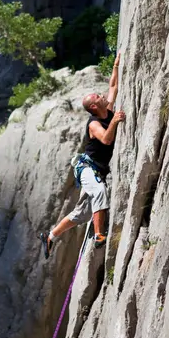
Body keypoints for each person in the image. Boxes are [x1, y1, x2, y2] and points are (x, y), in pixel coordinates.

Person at [39, 52, 125, 259]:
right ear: (94, 106)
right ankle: (99, 236)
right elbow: (105, 139)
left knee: (83, 213)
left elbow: (113, 87)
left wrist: (115, 66)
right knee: (100, 192)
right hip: (87, 168)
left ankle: (50, 236)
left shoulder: (108, 110)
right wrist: (115, 122)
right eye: (97, 97)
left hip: (97, 169)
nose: (101, 95)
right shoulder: (94, 124)